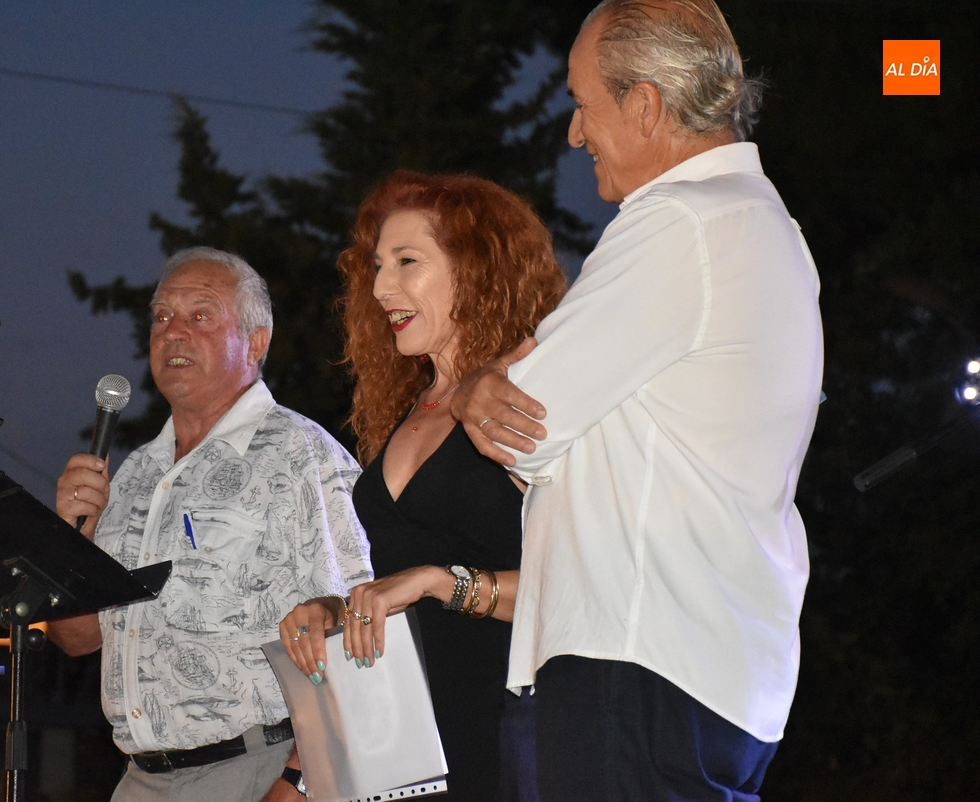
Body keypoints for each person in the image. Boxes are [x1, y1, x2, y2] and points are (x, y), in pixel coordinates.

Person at [452, 1, 823, 800]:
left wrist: (477, 387)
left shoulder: (680, 222)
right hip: (715, 670)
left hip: (640, 656)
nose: (574, 134)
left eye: (583, 104)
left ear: (645, 106)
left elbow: (520, 425)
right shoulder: (769, 229)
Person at [279, 171, 567, 801]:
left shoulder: (528, 393)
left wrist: (442, 582)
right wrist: (340, 612)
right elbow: (405, 572)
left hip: (508, 730)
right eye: (377, 266)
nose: (381, 287)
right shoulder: (411, 406)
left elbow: (583, 584)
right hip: (404, 748)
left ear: (477, 269)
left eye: (407, 261)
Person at [51, 247, 373, 802]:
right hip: (140, 779)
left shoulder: (299, 453)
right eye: (161, 316)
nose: (173, 331)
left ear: (256, 343)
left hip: (260, 769)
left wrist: (298, 783)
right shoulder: (133, 475)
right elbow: (77, 639)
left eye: (200, 315)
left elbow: (359, 626)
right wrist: (73, 538)